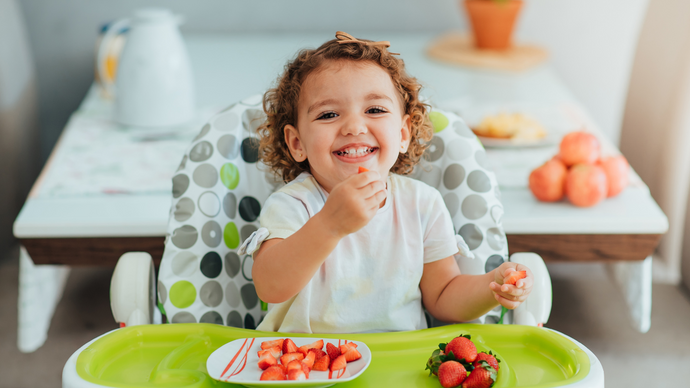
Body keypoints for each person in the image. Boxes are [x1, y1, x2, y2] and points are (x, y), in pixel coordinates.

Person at [240, 31, 533, 333]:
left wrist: (491, 287)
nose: (354, 127)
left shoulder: (422, 204)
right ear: (296, 142)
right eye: (328, 114)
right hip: (307, 366)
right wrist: (329, 225)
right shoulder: (291, 205)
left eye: (375, 110)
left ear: (403, 134)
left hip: (399, 366)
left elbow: (444, 295)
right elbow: (270, 287)